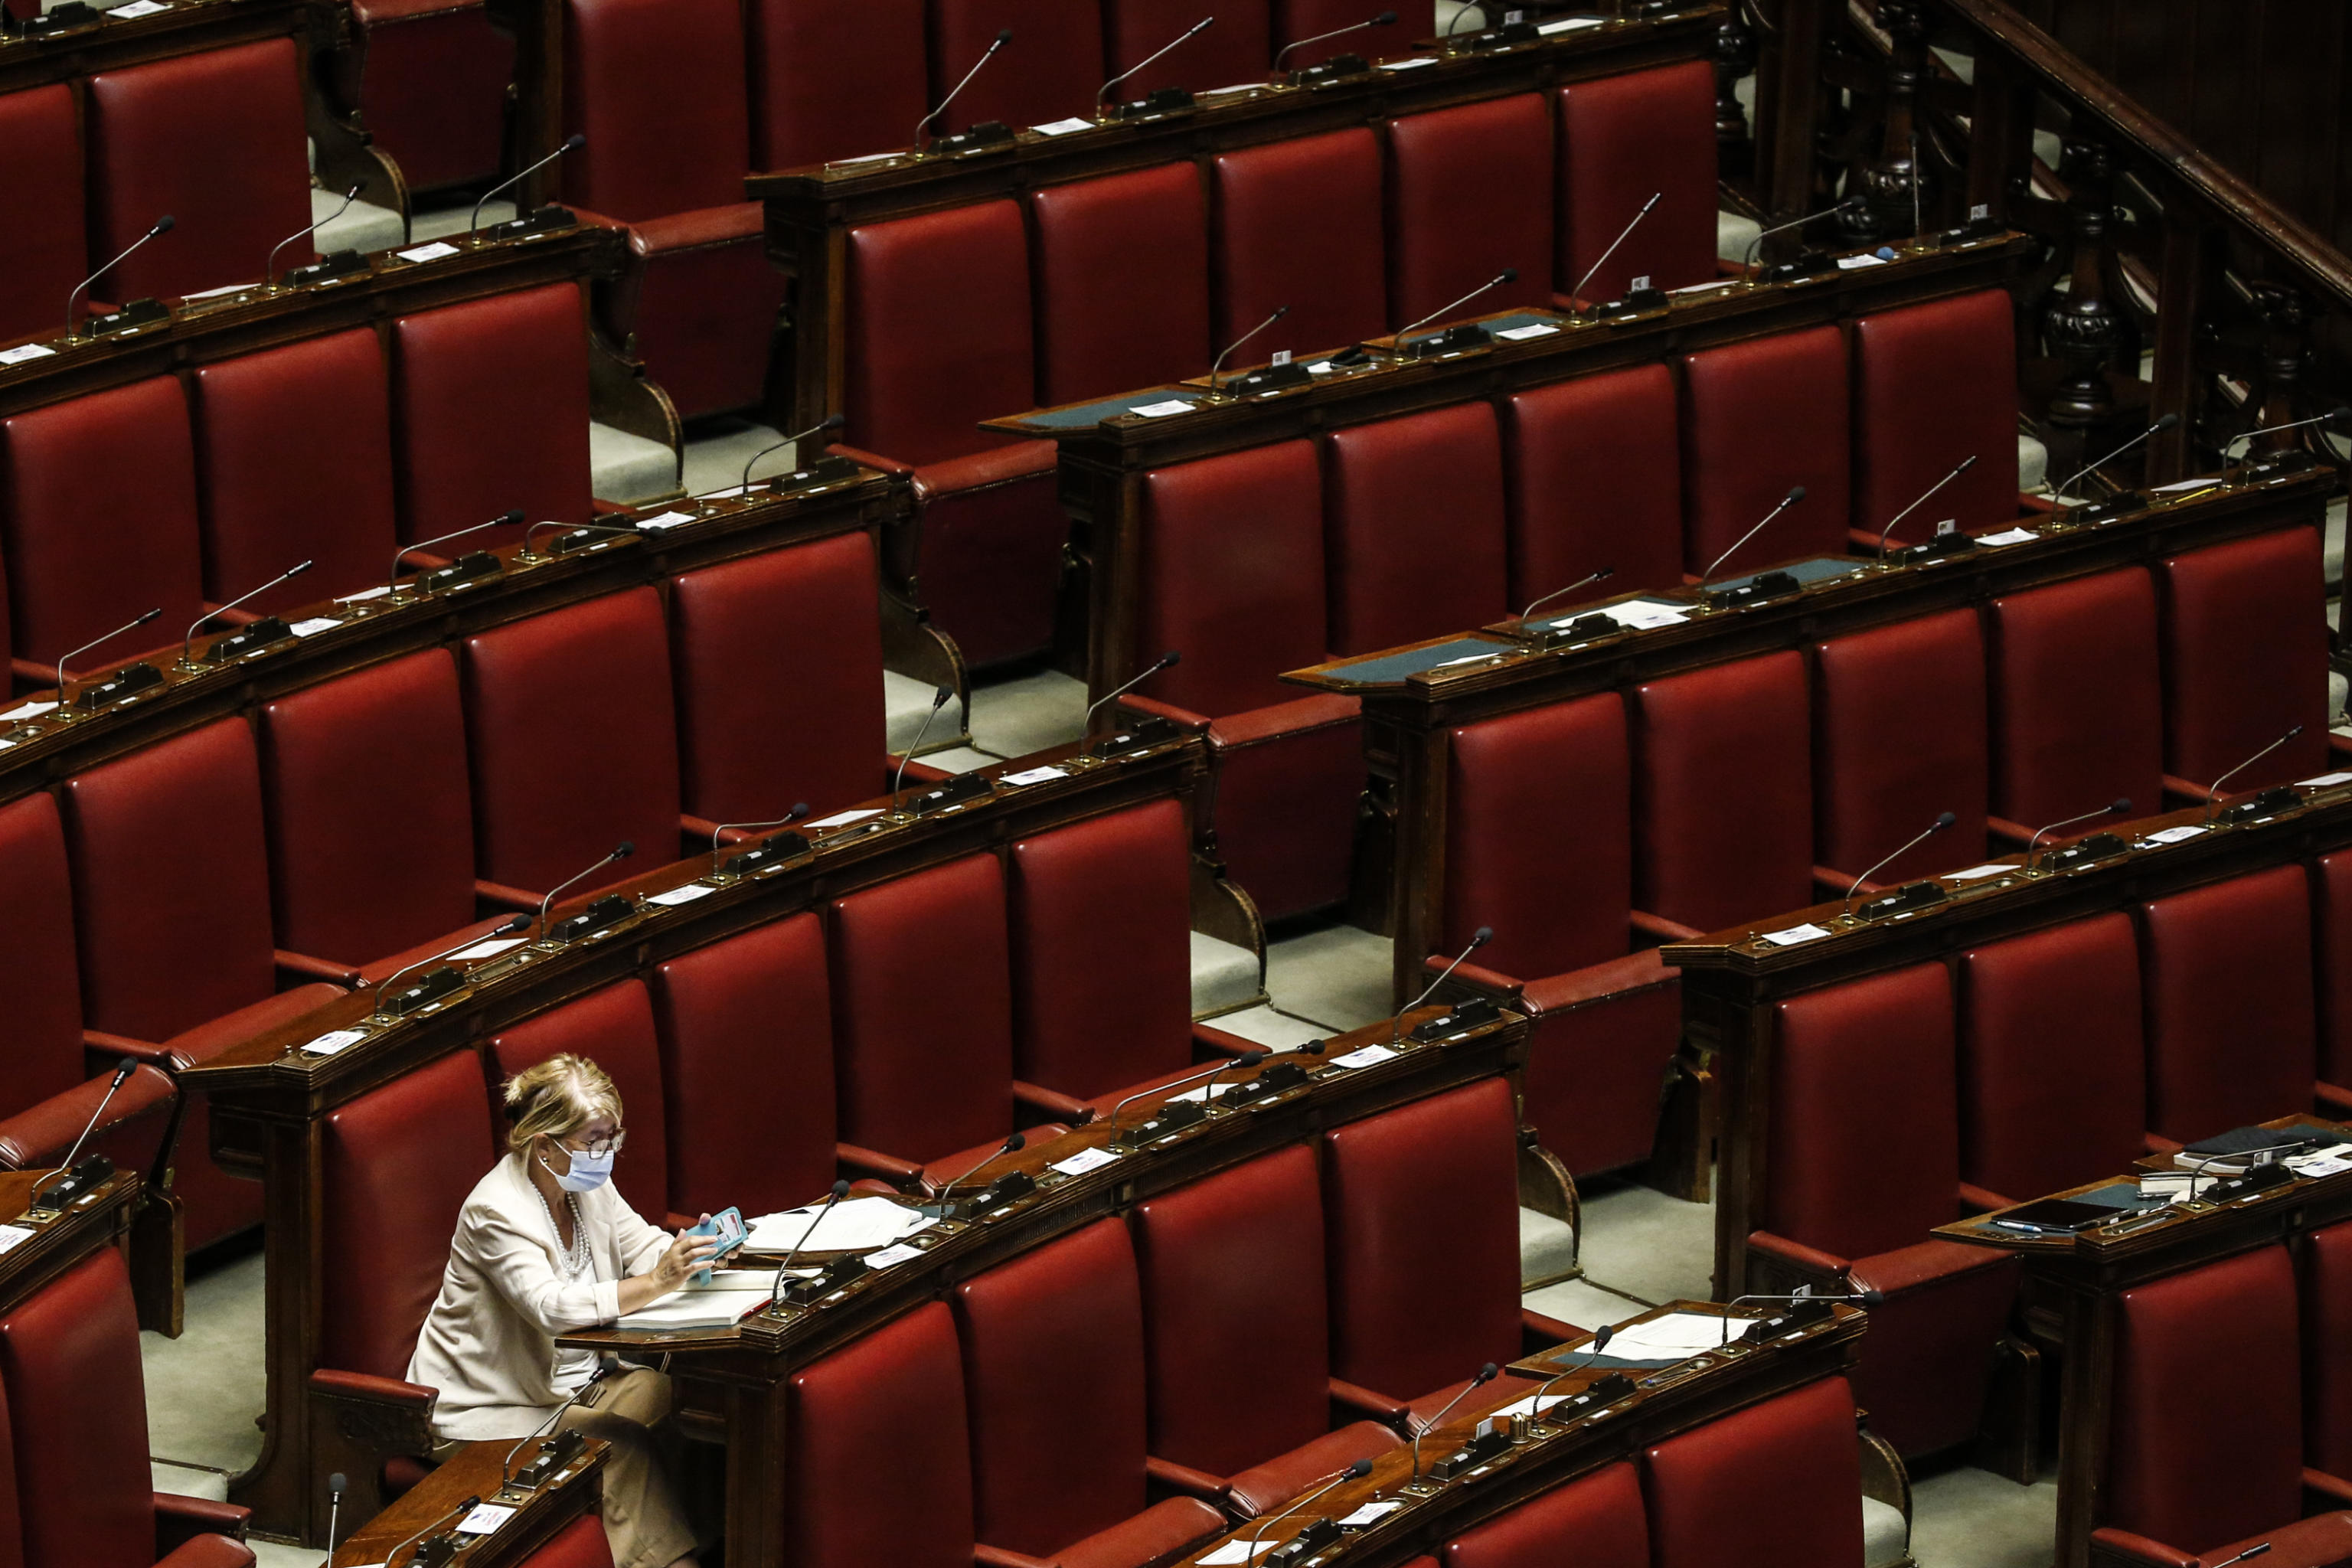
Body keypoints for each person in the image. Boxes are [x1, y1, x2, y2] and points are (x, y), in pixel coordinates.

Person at [410, 1054, 717, 1568]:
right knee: (620, 1445)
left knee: (678, 1399)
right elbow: (550, 1308)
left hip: (579, 1383)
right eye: (594, 1140)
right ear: (544, 1145)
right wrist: (656, 1282)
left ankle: (695, 1544)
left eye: (613, 1137)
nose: (607, 1153)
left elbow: (642, 1245)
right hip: (492, 1405)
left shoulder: (586, 1185)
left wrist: (689, 1255)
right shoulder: (495, 1211)